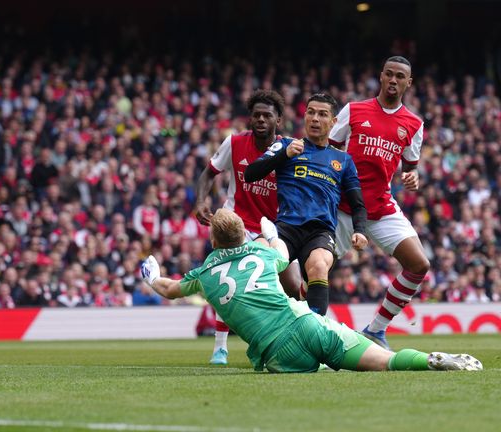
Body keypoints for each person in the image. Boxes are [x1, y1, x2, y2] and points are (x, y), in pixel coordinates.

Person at [140, 209, 482, 373]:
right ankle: (431, 360)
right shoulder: (261, 252)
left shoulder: (205, 274)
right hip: (306, 322)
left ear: (213, 241)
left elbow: (170, 289)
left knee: (319, 371)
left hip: (277, 352)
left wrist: (152, 277)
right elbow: (283, 255)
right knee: (387, 362)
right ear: (241, 235)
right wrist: (270, 232)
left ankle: (325, 365)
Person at [193, 89, 302, 366]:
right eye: (257, 115)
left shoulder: (289, 149)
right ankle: (220, 348)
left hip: (272, 227)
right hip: (235, 222)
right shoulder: (235, 142)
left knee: (293, 285)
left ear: (278, 118)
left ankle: (296, 337)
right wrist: (201, 201)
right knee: (226, 278)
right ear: (250, 118)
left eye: (267, 115)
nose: (261, 119)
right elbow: (209, 173)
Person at [329, 56, 428, 350]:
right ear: (381, 77)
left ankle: (375, 330)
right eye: (390, 74)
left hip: (381, 207)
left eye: (401, 76)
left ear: (409, 83)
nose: (394, 80)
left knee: (419, 265)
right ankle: (297, 335)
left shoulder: (414, 124)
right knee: (315, 272)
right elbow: (328, 151)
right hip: (343, 208)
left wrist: (413, 178)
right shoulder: (355, 110)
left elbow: (411, 169)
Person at [244, 93, 368, 317]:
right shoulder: (286, 145)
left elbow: (358, 204)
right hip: (286, 228)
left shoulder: (343, 160)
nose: (315, 119)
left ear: (333, 122)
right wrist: (283, 154)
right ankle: (265, 325)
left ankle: (314, 334)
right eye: (311, 112)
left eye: (322, 114)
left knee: (319, 267)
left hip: (319, 232)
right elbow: (250, 174)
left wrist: (359, 230)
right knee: (259, 257)